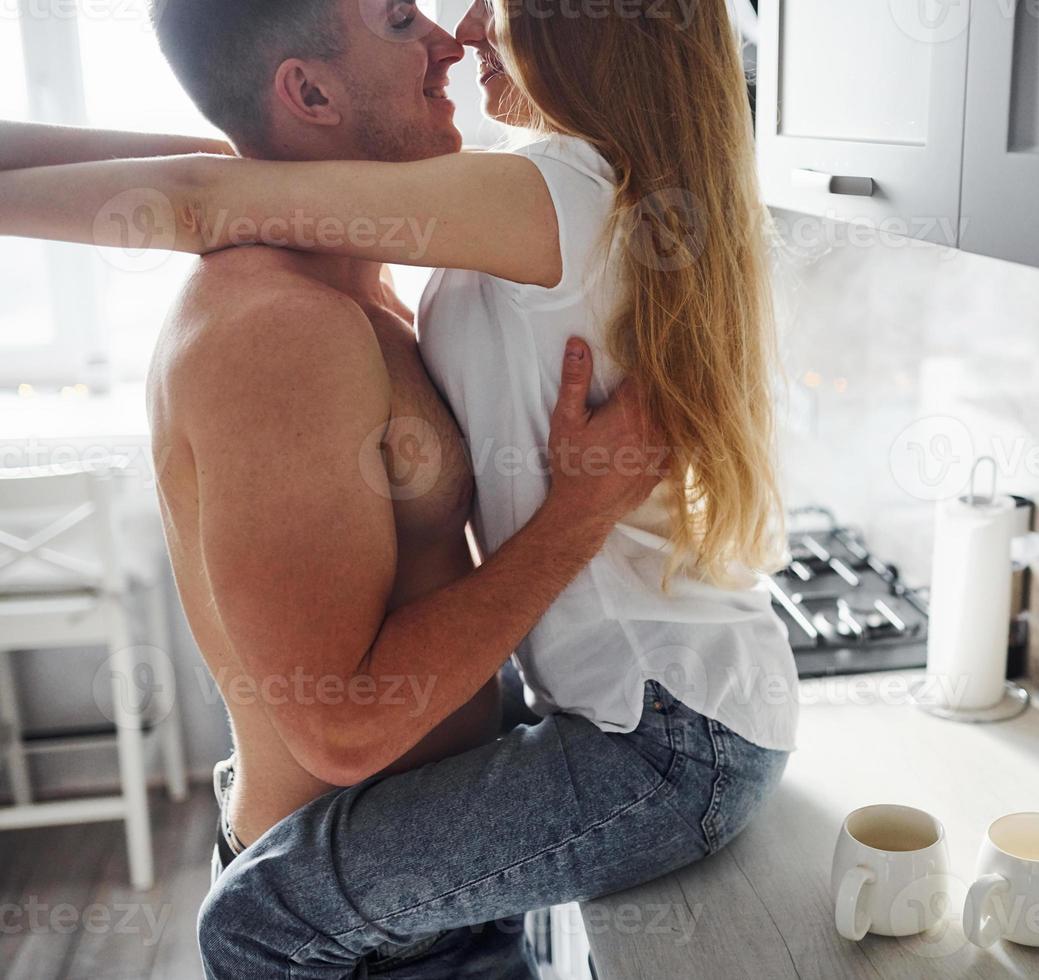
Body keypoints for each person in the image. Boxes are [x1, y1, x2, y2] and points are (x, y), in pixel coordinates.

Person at [0, 0, 798, 975]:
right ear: (310, 91)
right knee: (251, 920)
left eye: (490, 5)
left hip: (606, 764)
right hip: (377, 925)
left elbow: (205, 185)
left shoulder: (545, 193)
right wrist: (574, 517)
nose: (455, 33)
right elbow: (197, 184)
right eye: (398, 18)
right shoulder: (285, 322)